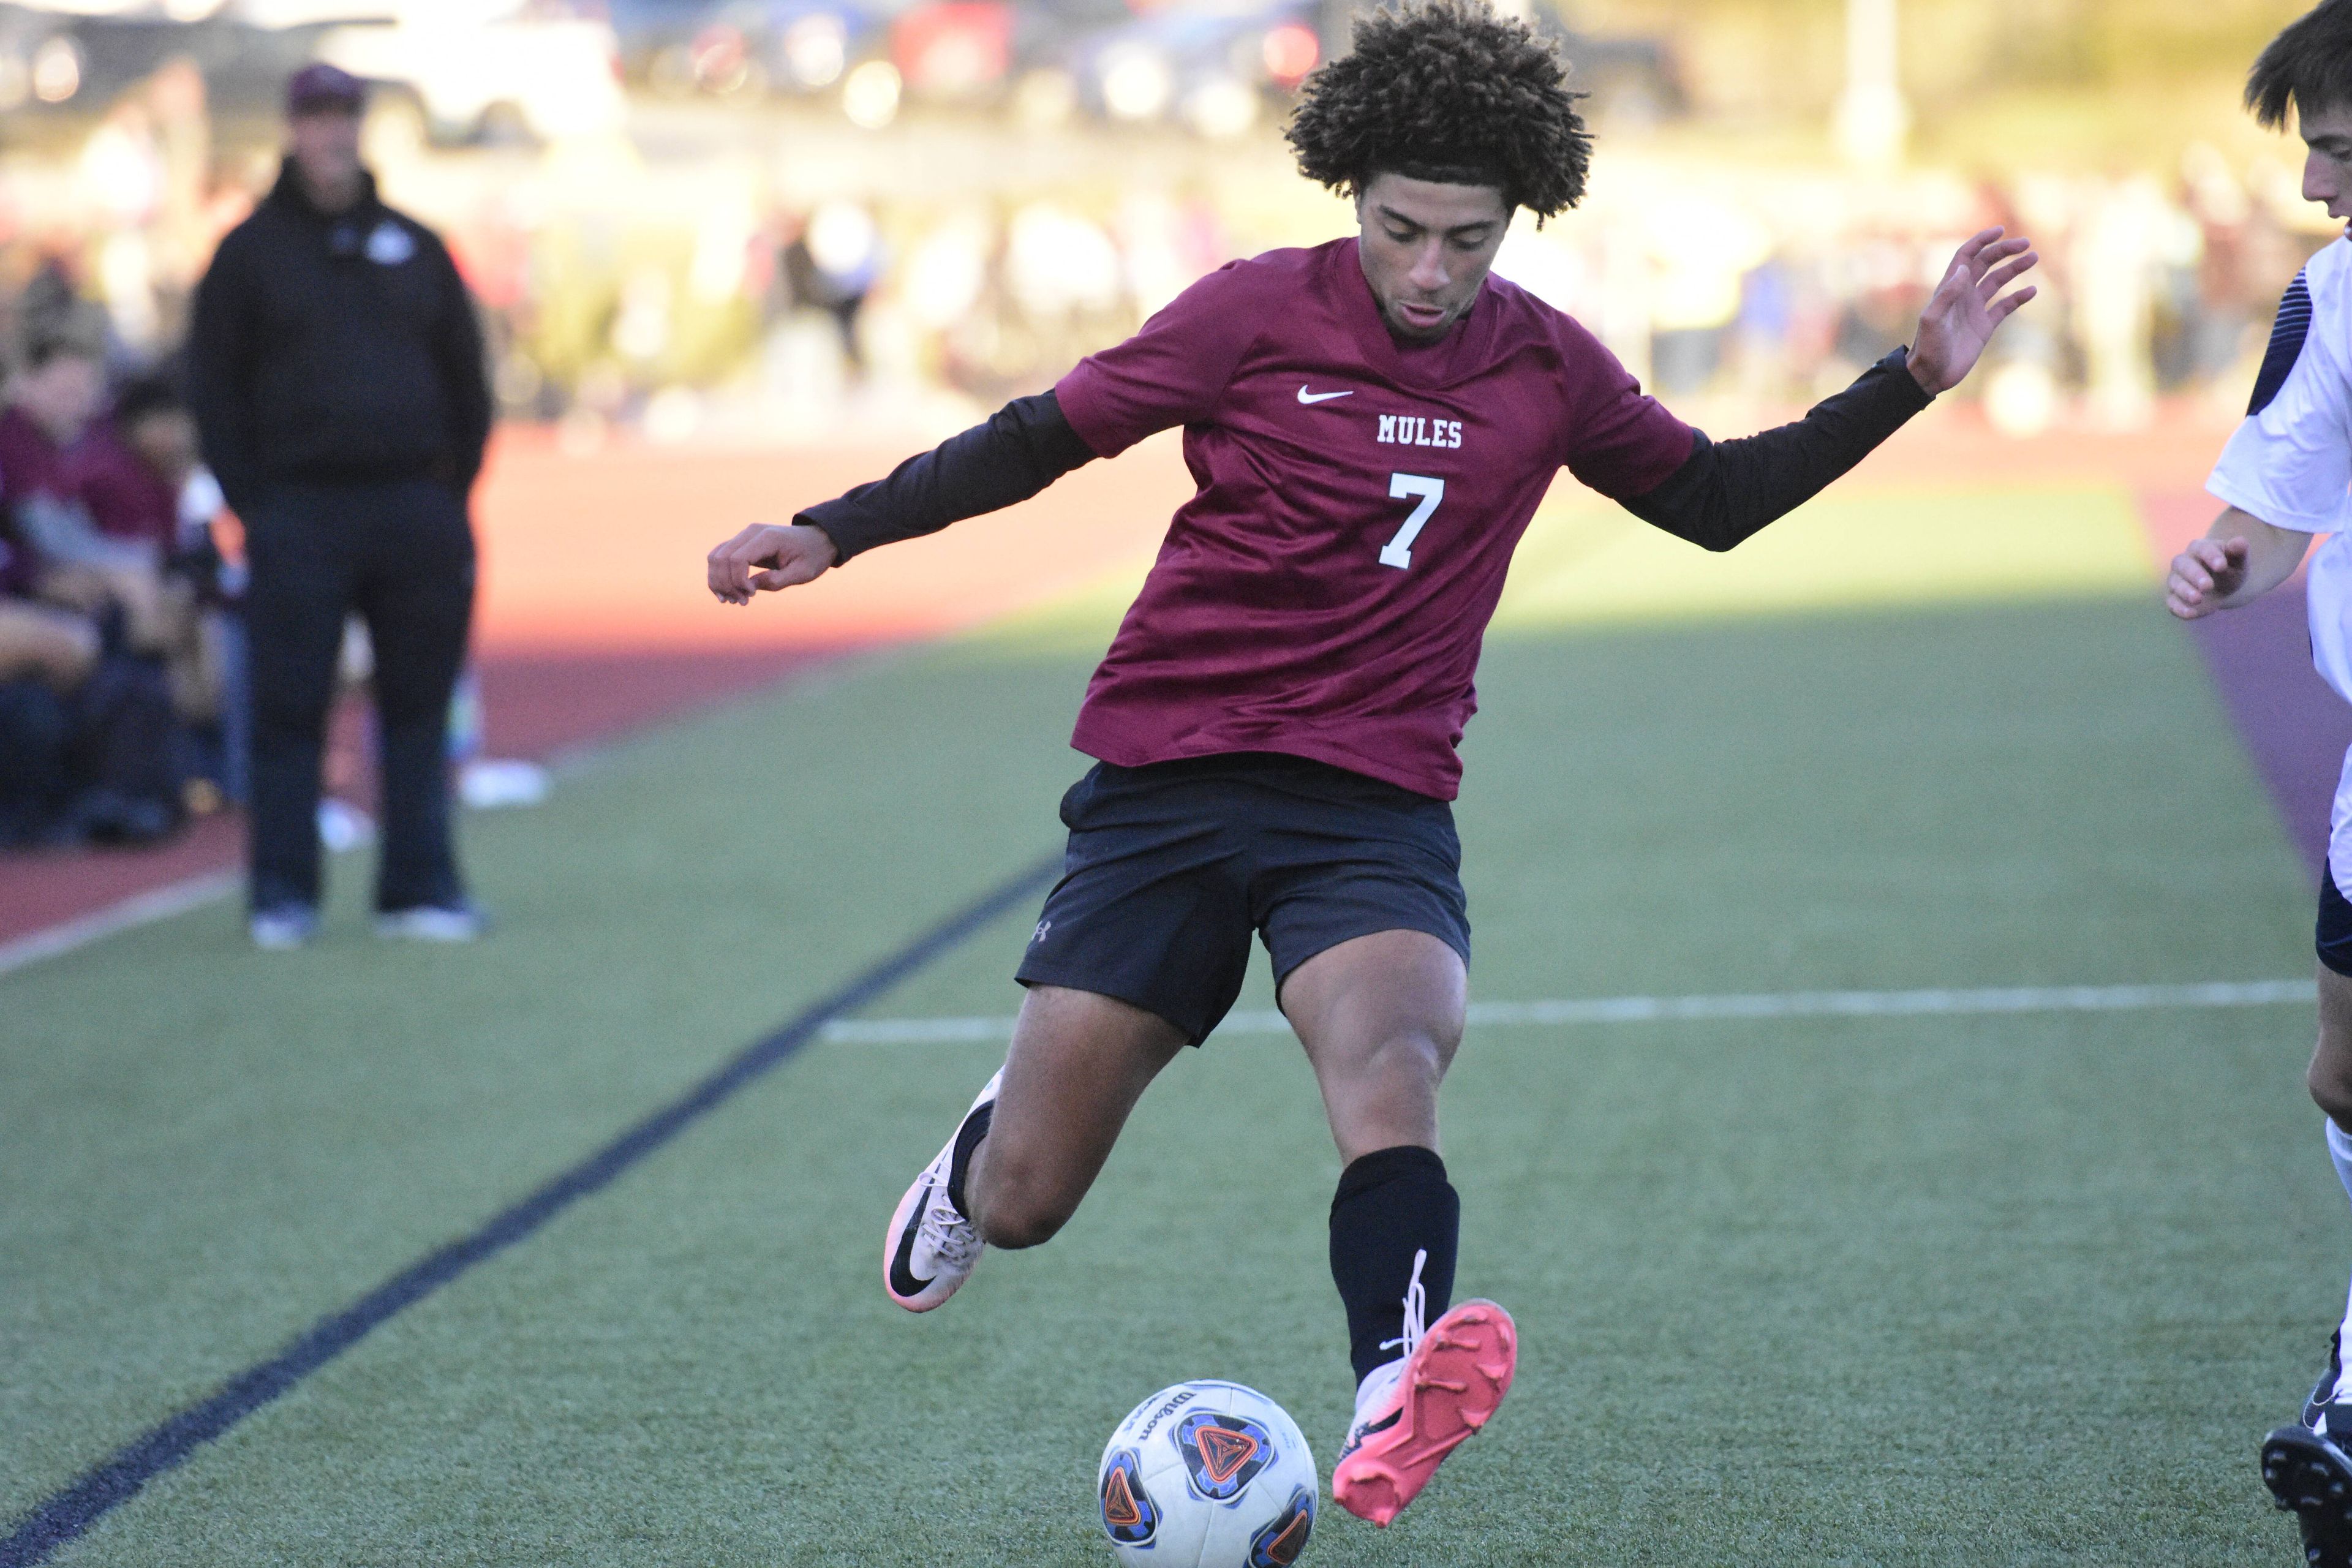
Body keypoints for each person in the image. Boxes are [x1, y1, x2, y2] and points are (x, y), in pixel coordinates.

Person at [706, 0, 2036, 1529]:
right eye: (1404, 229)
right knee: (1029, 1200)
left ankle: (1391, 1380)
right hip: (1174, 778)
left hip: (1375, 803)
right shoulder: (1249, 311)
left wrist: (1912, 376)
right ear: (1353, 197)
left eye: (1468, 239)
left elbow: (1717, 500)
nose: (1431, 268)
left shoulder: (1549, 363)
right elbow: (1037, 438)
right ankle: (977, 1150)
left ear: (1515, 223)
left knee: (1396, 1066)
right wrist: (837, 525)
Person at [2167, 6, 2352, 1562]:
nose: (2320, 188)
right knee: (2343, 1075)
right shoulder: (2336, 290)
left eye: (2345, 153)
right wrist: (2228, 558)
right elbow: (2282, 497)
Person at [189, 62, 492, 950]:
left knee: (417, 705)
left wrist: (447, 490)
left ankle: (419, 886)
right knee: (289, 707)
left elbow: (466, 381)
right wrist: (258, 503)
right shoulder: (248, 254)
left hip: (412, 505)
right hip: (299, 510)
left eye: (345, 117)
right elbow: (215, 389)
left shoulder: (416, 244)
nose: (332, 134)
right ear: (291, 129)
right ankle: (284, 893)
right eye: (316, 118)